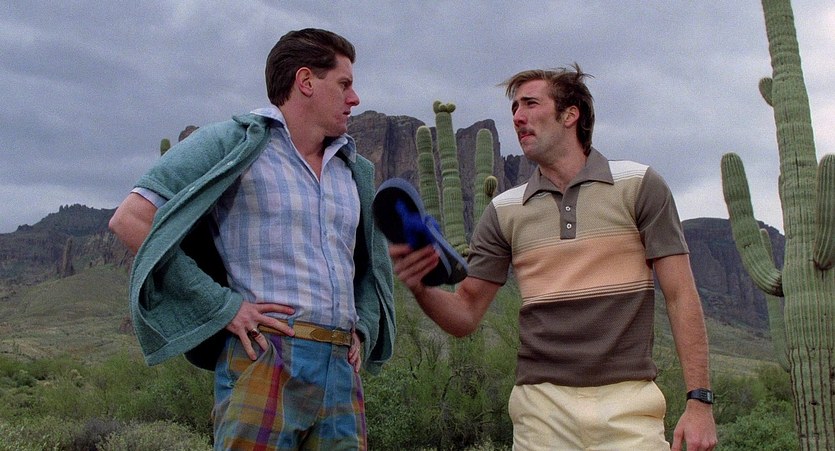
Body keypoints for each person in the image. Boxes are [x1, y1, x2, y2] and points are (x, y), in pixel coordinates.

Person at [389, 64, 717, 450]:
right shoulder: (503, 210)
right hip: (540, 414)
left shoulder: (639, 186)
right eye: (514, 108)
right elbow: (465, 313)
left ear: (569, 114)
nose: (517, 116)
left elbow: (680, 296)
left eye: (530, 104)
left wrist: (699, 402)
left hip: (629, 408)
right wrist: (421, 289)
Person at [109, 28, 394, 450]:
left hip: (340, 366)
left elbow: (370, 265)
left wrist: (365, 327)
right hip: (265, 355)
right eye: (344, 84)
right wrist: (222, 306)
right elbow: (131, 219)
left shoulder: (354, 170)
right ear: (305, 81)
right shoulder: (235, 142)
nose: (354, 98)